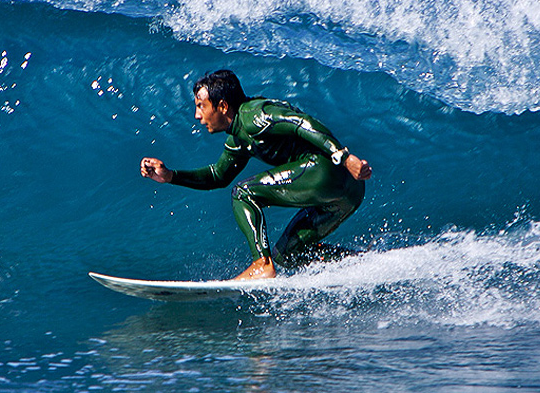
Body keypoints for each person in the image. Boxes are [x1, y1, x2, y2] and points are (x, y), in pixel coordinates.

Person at [140, 70, 372, 280]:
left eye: (201, 106)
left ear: (222, 106)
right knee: (287, 254)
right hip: (348, 194)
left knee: (243, 193)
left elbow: (302, 123)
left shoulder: (254, 115)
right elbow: (218, 176)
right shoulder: (238, 137)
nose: (197, 115)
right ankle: (359, 264)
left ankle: (261, 264)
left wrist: (343, 156)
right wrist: (170, 176)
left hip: (327, 170)